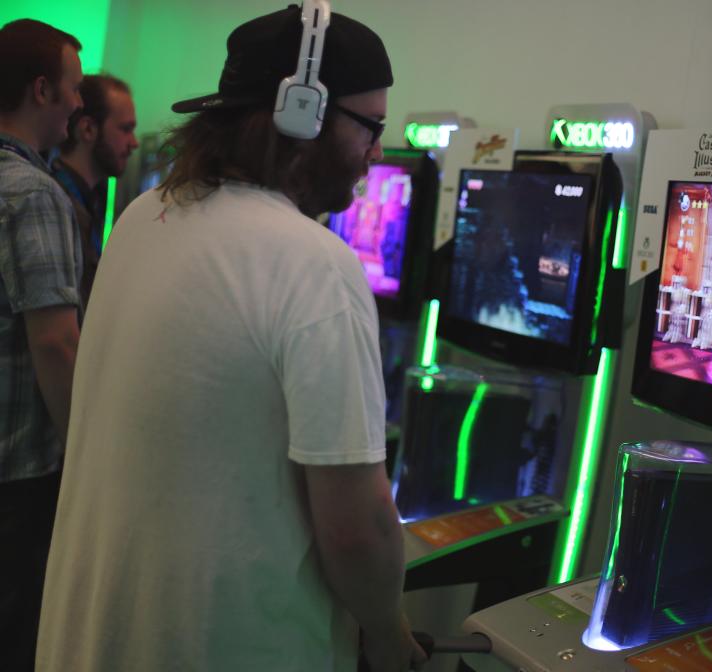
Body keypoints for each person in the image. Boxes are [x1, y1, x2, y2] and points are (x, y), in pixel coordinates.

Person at [36, 4, 425, 672]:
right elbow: (355, 530)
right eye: (372, 127)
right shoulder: (316, 267)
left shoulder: (140, 220)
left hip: (91, 641)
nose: (378, 151)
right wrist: (391, 636)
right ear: (303, 112)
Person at [0, 18, 84, 672]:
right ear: (41, 91)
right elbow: (55, 344)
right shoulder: (34, 195)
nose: (80, 104)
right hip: (20, 481)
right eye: (73, 88)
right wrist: (90, 453)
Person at [52, 74, 139, 304]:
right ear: (88, 129)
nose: (134, 142)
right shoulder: (55, 204)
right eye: (125, 129)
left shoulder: (88, 200)